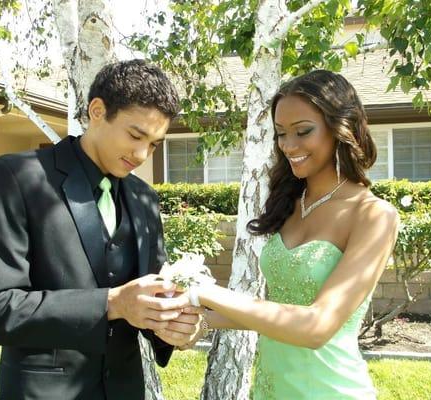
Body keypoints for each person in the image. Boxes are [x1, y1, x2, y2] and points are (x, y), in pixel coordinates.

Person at [0, 60, 202, 400]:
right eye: (135, 135)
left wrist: (176, 329)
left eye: (153, 144)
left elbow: (150, 297)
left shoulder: (143, 197)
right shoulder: (16, 177)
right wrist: (110, 303)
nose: (141, 154)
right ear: (97, 110)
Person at [167, 70, 399, 399]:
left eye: (303, 131)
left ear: (340, 128)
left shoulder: (374, 216)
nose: (289, 146)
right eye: (280, 134)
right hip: (269, 390)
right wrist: (200, 320)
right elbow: (278, 310)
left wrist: (205, 291)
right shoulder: (291, 204)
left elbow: (316, 326)